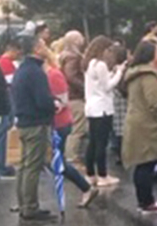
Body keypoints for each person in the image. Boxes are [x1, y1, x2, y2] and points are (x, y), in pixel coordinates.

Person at [119, 40, 157, 214]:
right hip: (148, 125)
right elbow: (154, 102)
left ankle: (144, 201)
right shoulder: (148, 75)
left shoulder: (135, 73)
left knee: (142, 163)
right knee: (146, 163)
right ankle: (147, 202)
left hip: (139, 122)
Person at [12, 35, 63, 222]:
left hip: (25, 122)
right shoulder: (36, 72)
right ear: (35, 49)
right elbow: (42, 100)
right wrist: (54, 104)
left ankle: (23, 203)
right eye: (42, 45)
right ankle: (30, 207)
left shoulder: (23, 70)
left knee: (25, 166)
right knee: (33, 166)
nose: (46, 47)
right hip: (36, 123)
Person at [45, 48, 100, 208]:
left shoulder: (54, 75)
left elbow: (62, 101)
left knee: (55, 161)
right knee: (51, 161)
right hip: (54, 122)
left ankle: (86, 187)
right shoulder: (50, 74)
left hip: (59, 123)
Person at [83, 36, 122, 187]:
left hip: (92, 107)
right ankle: (103, 175)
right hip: (103, 108)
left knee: (93, 142)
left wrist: (112, 73)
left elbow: (100, 83)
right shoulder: (101, 65)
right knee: (101, 143)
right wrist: (119, 73)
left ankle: (90, 173)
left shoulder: (90, 64)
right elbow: (107, 87)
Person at [58, 30, 88, 165]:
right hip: (75, 96)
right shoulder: (74, 57)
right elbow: (71, 76)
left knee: (75, 127)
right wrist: (85, 88)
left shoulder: (64, 55)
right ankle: (72, 157)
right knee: (78, 128)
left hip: (69, 95)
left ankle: (70, 156)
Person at [0, 35, 22, 178]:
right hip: (9, 97)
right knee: (3, 131)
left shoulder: (6, 62)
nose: (18, 55)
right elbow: (12, 82)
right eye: (17, 52)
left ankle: (1, 164)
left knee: (4, 131)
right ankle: (1, 165)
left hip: (8, 97)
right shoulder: (5, 63)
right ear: (11, 50)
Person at [110, 43, 129, 167]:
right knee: (123, 128)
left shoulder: (109, 68)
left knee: (116, 128)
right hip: (122, 100)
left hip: (113, 100)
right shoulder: (123, 69)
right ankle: (122, 154)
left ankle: (117, 151)